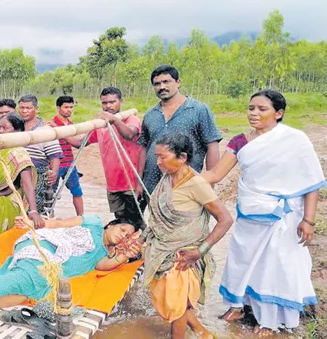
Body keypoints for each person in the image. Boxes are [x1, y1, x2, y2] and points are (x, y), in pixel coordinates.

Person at [201, 90, 325, 335]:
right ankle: (239, 306)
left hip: (285, 217)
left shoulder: (295, 140)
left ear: (279, 113)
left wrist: (308, 220)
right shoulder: (240, 141)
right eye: (251, 108)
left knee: (275, 266)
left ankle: (268, 319)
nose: (254, 114)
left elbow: (311, 183)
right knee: (241, 260)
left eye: (262, 109)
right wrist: (182, 177)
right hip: (250, 213)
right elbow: (215, 175)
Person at [0, 214, 143, 336]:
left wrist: (125, 255)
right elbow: (59, 224)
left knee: (31, 293)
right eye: (122, 229)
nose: (123, 235)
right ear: (111, 225)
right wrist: (33, 223)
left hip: (50, 267)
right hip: (45, 244)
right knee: (37, 273)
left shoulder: (101, 256)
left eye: (127, 236)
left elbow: (108, 265)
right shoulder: (93, 223)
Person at [143, 132, 233, 339]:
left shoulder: (196, 183)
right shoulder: (167, 178)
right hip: (162, 249)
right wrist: (142, 238)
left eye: (162, 157)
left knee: (177, 304)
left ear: (182, 157)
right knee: (177, 302)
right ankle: (202, 332)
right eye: (156, 156)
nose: (158, 162)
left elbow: (226, 219)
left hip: (185, 255)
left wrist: (199, 252)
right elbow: (157, 218)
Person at [137, 65, 222, 196]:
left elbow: (212, 145)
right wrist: (139, 183)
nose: (162, 87)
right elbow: (144, 148)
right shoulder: (150, 115)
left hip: (186, 185)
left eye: (166, 82)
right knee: (154, 217)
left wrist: (210, 184)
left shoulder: (198, 110)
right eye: (157, 84)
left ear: (178, 82)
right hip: (153, 186)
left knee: (187, 216)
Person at [66, 87, 145, 226]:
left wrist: (113, 120)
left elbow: (129, 134)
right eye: (104, 103)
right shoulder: (101, 125)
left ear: (121, 101)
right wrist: (59, 132)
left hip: (131, 183)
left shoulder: (130, 119)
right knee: (120, 222)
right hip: (113, 184)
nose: (108, 106)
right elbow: (79, 143)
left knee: (136, 223)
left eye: (112, 102)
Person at [0, 113, 40, 240]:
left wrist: (33, 211)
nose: (0, 131)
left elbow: (26, 184)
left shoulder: (19, 154)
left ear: (18, 131)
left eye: (5, 128)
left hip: (7, 206)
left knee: (4, 244)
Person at [17, 94, 62, 216]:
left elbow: (55, 155)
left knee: (34, 211)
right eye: (22, 108)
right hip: (16, 176)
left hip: (37, 175)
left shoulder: (45, 131)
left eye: (28, 108)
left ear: (36, 109)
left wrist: (54, 172)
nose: (24, 111)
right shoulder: (15, 127)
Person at [51, 96, 85, 215]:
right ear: (58, 108)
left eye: (71, 107)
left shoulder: (70, 124)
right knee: (50, 193)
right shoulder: (52, 124)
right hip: (55, 165)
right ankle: (48, 217)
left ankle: (81, 218)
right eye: (66, 107)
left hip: (69, 163)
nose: (69, 110)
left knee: (77, 191)